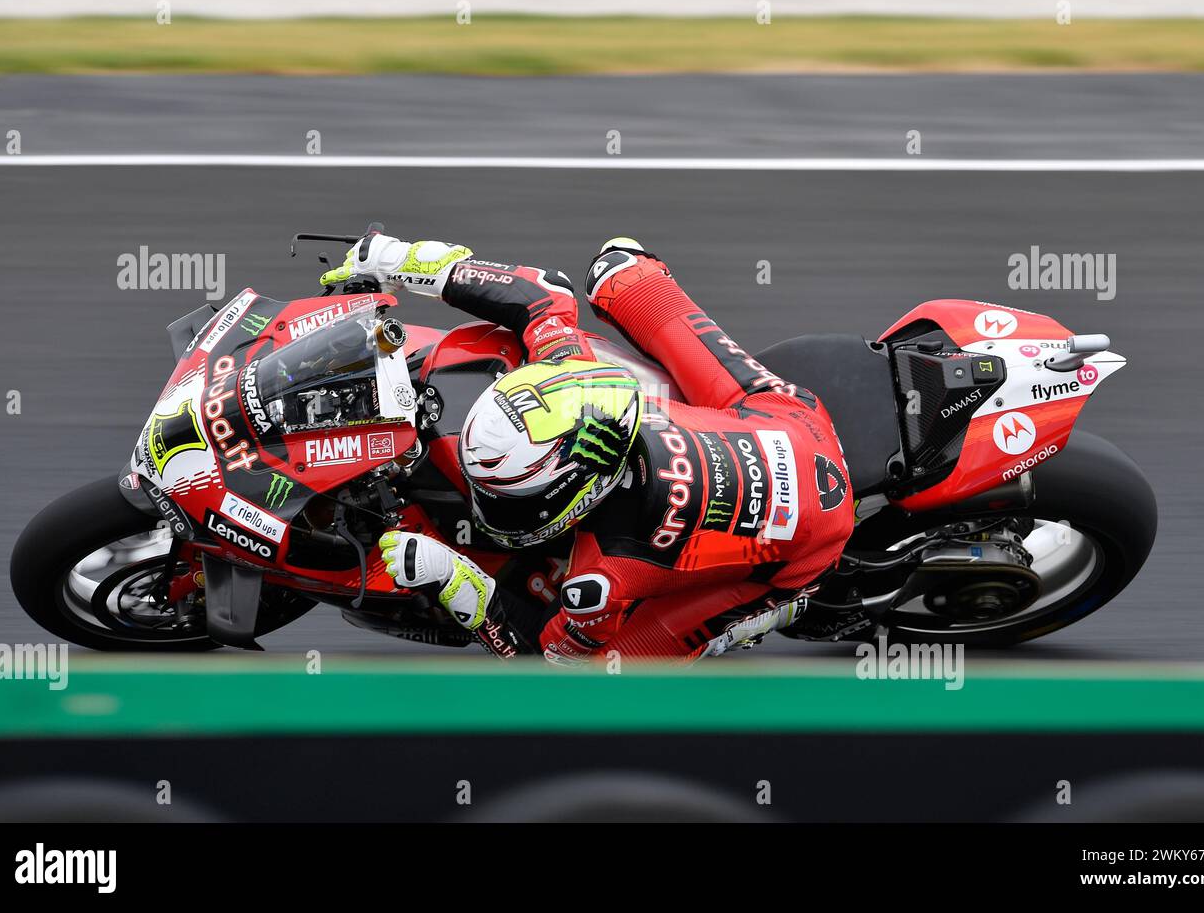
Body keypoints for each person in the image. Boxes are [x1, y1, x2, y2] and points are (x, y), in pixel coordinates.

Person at [319, 233, 855, 664]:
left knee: (613, 674)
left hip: (809, 546)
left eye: (506, 497)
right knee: (620, 269)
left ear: (575, 495)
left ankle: (781, 607)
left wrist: (462, 586)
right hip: (784, 418)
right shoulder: (575, 376)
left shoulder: (602, 579)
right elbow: (543, 295)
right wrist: (409, 260)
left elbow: (552, 658)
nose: (491, 507)